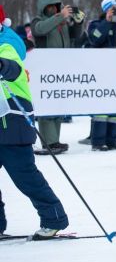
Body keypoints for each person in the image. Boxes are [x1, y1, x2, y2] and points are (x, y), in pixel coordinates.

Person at [0, 43, 69, 239]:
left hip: (12, 126)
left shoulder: (5, 47)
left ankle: (53, 219)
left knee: (26, 179)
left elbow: (13, 69)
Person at [31, 0, 85, 155]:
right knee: (48, 105)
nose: (54, 9)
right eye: (51, 7)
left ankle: (55, 140)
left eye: (56, 6)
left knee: (58, 104)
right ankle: (48, 142)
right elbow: (40, 30)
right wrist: (60, 16)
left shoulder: (62, 22)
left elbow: (76, 35)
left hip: (62, 68)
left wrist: (78, 22)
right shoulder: (37, 20)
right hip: (46, 69)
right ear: (44, 8)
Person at [86, 0, 116, 151]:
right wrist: (108, 21)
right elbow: (94, 39)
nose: (115, 11)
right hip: (101, 70)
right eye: (112, 8)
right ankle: (98, 140)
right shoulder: (96, 24)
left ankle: (113, 139)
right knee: (102, 105)